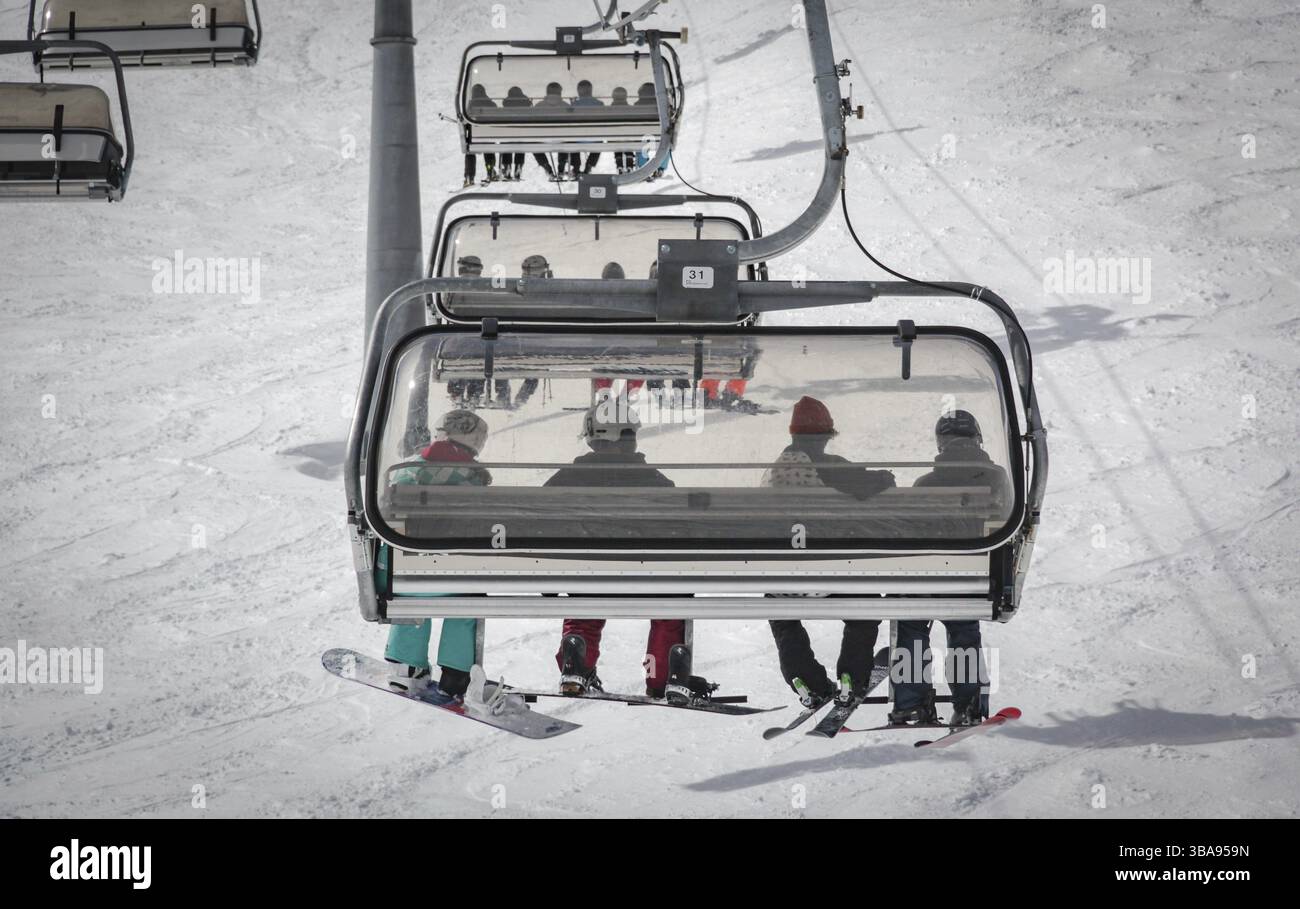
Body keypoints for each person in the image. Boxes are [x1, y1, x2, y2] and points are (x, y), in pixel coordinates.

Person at [764, 396, 896, 708]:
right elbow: (873, 483)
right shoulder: (831, 468)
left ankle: (803, 678)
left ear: (792, 434)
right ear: (825, 436)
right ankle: (852, 675)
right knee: (864, 610)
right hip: (832, 572)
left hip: (784, 577)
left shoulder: (776, 469)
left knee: (783, 617)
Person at [546, 401, 683, 698]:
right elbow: (678, 522)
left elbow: (538, 516)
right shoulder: (653, 479)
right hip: (647, 575)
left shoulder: (567, 477)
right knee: (670, 609)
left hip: (585, 574)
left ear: (592, 438)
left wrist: (548, 574)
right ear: (631, 438)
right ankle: (664, 678)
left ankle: (575, 667)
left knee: (582, 611)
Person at [890, 410, 1010, 727]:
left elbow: (909, 528)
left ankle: (911, 704)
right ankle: (969, 704)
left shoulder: (926, 482)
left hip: (926, 575)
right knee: (964, 631)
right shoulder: (997, 477)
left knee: (911, 627)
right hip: (971, 575)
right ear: (977, 439)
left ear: (942, 445)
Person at [384, 410, 491, 697]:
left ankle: (406, 666)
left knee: (411, 598)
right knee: (466, 604)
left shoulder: (405, 470)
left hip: (409, 571)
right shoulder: (475, 477)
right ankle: (456, 674)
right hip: (458, 573)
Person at [464, 84, 498, 186]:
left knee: (470, 152)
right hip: (488, 137)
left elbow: (465, 121)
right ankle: (490, 170)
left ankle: (469, 176)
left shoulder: (470, 105)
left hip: (474, 139)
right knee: (488, 148)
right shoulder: (492, 104)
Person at [571, 80, 604, 174]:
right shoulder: (599, 104)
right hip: (594, 139)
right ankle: (589, 165)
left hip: (577, 139)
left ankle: (576, 165)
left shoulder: (574, 105)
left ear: (578, 91)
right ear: (591, 90)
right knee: (600, 141)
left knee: (570, 139)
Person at [499, 86, 531, 179]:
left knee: (506, 145)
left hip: (508, 132)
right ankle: (519, 166)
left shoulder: (506, 105)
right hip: (522, 133)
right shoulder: (527, 105)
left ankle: (507, 165)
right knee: (520, 147)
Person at [610, 87, 636, 172]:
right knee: (628, 141)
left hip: (615, 138)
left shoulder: (609, 109)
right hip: (628, 137)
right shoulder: (630, 108)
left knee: (616, 142)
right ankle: (629, 165)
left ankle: (619, 165)